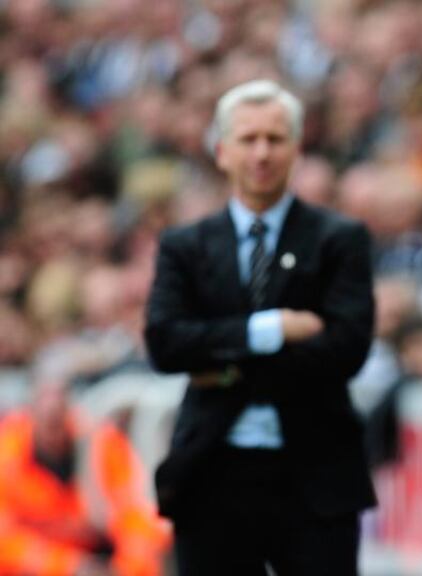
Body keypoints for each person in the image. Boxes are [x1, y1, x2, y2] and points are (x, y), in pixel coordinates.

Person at [144, 79, 376, 575]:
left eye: (275, 138)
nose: (262, 152)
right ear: (222, 151)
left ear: (296, 147)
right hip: (211, 474)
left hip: (317, 477)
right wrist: (268, 329)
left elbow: (347, 348)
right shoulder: (185, 246)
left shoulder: (340, 239)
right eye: (248, 139)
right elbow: (165, 343)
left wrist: (221, 362)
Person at [0, 366, 169, 576]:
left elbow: (140, 516)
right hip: (46, 564)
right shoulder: (8, 456)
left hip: (102, 557)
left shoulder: (100, 446)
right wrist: (69, 566)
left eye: (58, 418)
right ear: (30, 413)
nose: (53, 430)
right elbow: (5, 541)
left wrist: (127, 567)